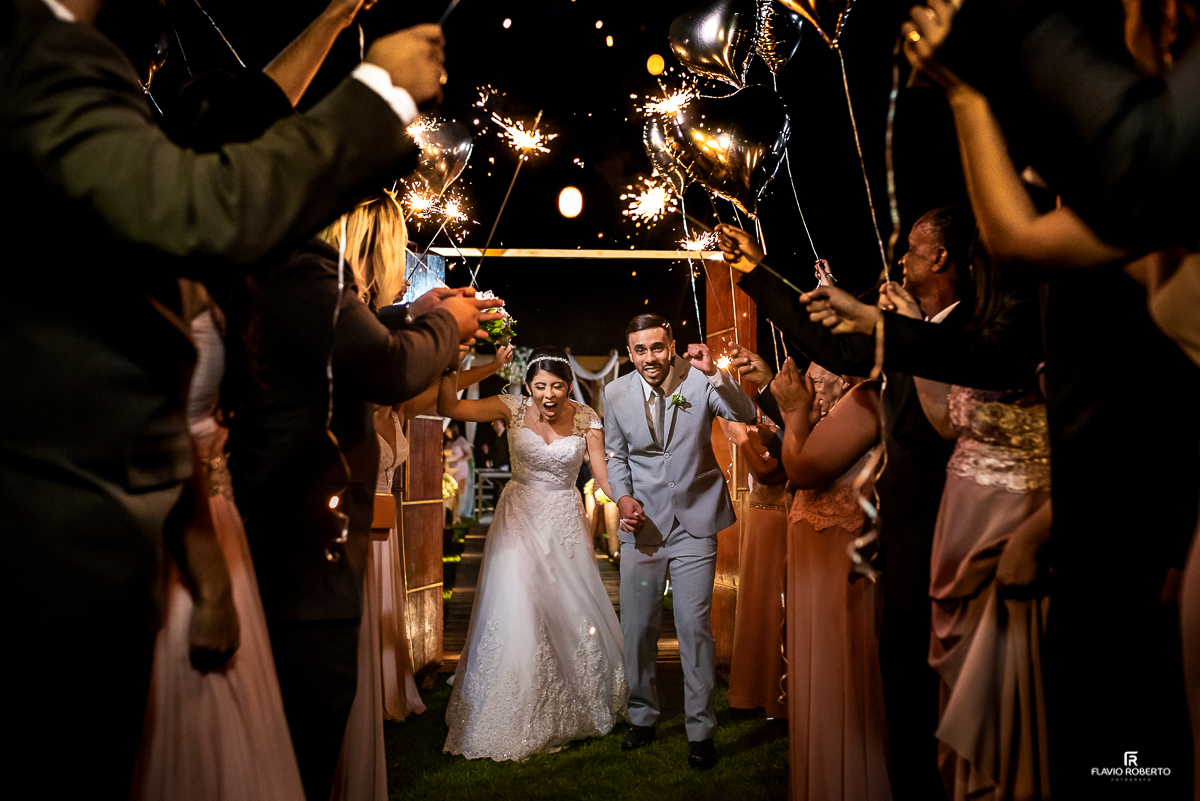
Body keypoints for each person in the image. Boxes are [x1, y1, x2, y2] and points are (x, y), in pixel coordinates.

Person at [0, 0, 447, 793]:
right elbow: (204, 196)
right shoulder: (38, 52)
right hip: (92, 545)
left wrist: (334, 15)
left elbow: (238, 124)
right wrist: (379, 90)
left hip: (183, 543)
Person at [719, 209, 974, 798]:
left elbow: (810, 450)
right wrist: (758, 270)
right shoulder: (906, 340)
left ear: (940, 258)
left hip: (938, 536)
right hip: (903, 545)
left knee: (921, 708)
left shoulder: (955, 339)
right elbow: (831, 347)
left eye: (912, 249)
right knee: (903, 701)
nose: (900, 259)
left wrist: (793, 409)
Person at [132, 297, 305, 801]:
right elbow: (165, 429)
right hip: (185, 523)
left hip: (218, 512)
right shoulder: (173, 300)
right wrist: (211, 585)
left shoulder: (218, 297)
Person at [437, 346, 627, 761]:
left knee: (568, 607)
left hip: (563, 519)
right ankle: (513, 698)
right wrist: (473, 364)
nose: (549, 394)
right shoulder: (510, 406)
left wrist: (625, 502)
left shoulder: (587, 418)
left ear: (570, 386)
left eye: (557, 385)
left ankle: (574, 695)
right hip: (518, 519)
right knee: (517, 604)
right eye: (540, 385)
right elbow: (447, 403)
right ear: (528, 385)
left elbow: (603, 476)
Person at [603, 314, 758, 769]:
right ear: (629, 352)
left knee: (694, 628)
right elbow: (616, 455)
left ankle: (700, 729)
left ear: (670, 345)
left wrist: (716, 374)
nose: (649, 357)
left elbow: (745, 414)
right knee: (638, 629)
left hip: (695, 522)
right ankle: (643, 717)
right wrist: (624, 497)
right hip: (643, 528)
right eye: (639, 350)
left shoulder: (699, 380)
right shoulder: (614, 393)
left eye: (656, 347)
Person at [771, 358, 891, 801]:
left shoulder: (868, 396)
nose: (811, 385)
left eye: (818, 380)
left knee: (844, 677)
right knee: (820, 675)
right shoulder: (843, 403)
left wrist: (793, 413)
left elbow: (801, 468)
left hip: (840, 556)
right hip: (817, 556)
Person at [725, 419, 788, 720]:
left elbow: (766, 474)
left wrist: (742, 440)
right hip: (760, 518)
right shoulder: (766, 429)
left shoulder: (793, 433)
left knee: (777, 607)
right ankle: (754, 691)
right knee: (756, 605)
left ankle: (779, 693)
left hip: (780, 521)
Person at [443, 423, 471, 524]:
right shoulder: (449, 442)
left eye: (448, 431)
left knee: (457, 494)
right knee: (450, 494)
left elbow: (469, 454)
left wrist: (458, 461)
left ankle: (456, 516)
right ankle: (452, 516)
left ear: (453, 430)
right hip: (449, 470)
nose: (446, 433)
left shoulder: (461, 441)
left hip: (460, 470)